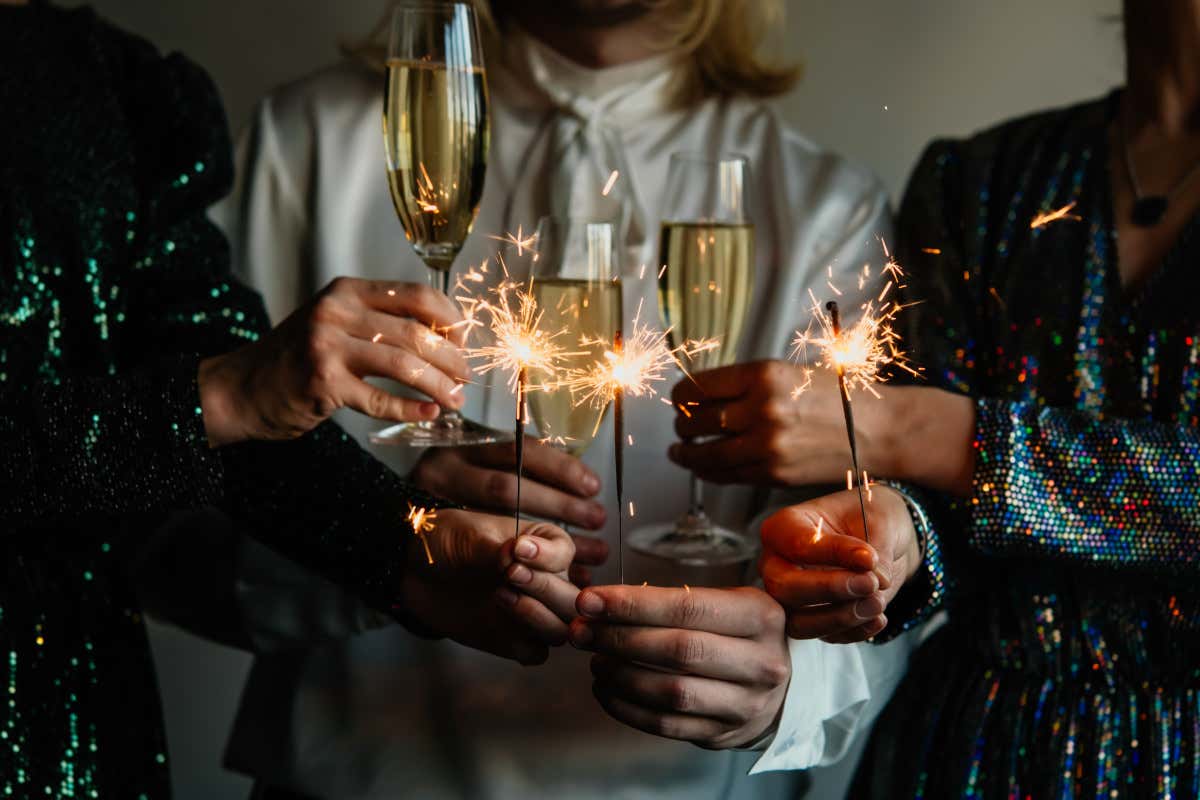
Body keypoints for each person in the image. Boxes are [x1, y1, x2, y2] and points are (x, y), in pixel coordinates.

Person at [207, 0, 911, 797]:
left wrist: (797, 687)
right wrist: (374, 530)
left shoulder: (830, 210)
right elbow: (159, 536)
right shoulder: (304, 145)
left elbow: (886, 572)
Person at [0, 2, 575, 795]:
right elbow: (215, 398)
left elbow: (222, 403)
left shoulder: (102, 81)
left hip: (86, 732)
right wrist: (215, 395)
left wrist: (404, 550)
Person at [756, 0, 1200, 795]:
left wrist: (927, 432)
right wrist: (900, 536)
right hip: (968, 753)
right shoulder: (983, 180)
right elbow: (952, 532)